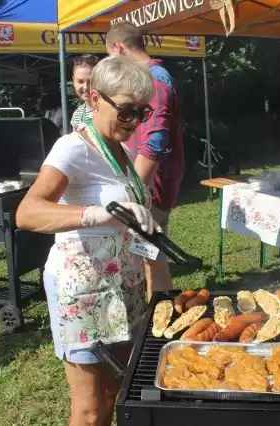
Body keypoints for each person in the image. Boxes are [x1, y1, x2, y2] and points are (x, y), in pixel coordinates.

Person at [16, 55, 158, 426]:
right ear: (95, 98)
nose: (135, 122)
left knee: (117, 391)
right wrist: (94, 214)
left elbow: (135, 229)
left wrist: (159, 284)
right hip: (84, 291)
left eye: (142, 113)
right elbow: (27, 213)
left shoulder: (124, 153)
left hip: (125, 288)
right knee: (90, 408)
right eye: (126, 111)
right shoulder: (72, 147)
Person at [106, 22, 185, 298]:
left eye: (110, 57)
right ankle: (157, 317)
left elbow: (155, 142)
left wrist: (132, 192)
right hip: (145, 186)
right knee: (148, 253)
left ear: (118, 47)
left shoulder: (155, 78)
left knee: (150, 255)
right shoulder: (148, 78)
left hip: (149, 188)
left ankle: (159, 318)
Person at [70, 54, 99, 131]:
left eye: (90, 82)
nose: (85, 87)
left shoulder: (108, 111)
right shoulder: (77, 114)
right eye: (80, 81)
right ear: (74, 82)